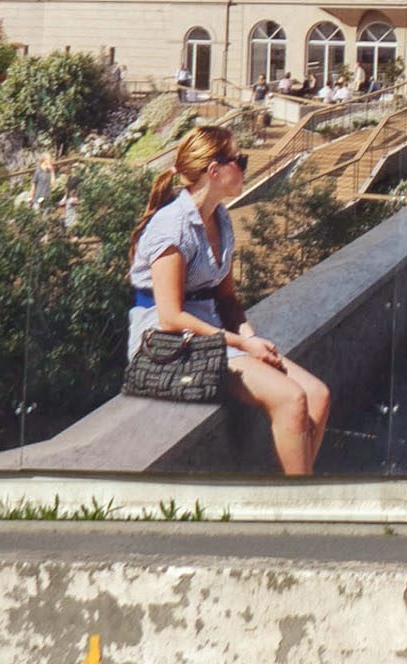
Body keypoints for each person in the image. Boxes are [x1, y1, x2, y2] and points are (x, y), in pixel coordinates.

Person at [129, 125, 331, 475]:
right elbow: (171, 317)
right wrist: (243, 343)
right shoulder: (171, 228)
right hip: (167, 344)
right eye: (240, 159)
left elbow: (227, 299)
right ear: (214, 170)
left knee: (317, 395)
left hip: (212, 336)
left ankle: (296, 488)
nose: (244, 165)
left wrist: (250, 337)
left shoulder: (221, 220)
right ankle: (301, 504)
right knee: (291, 399)